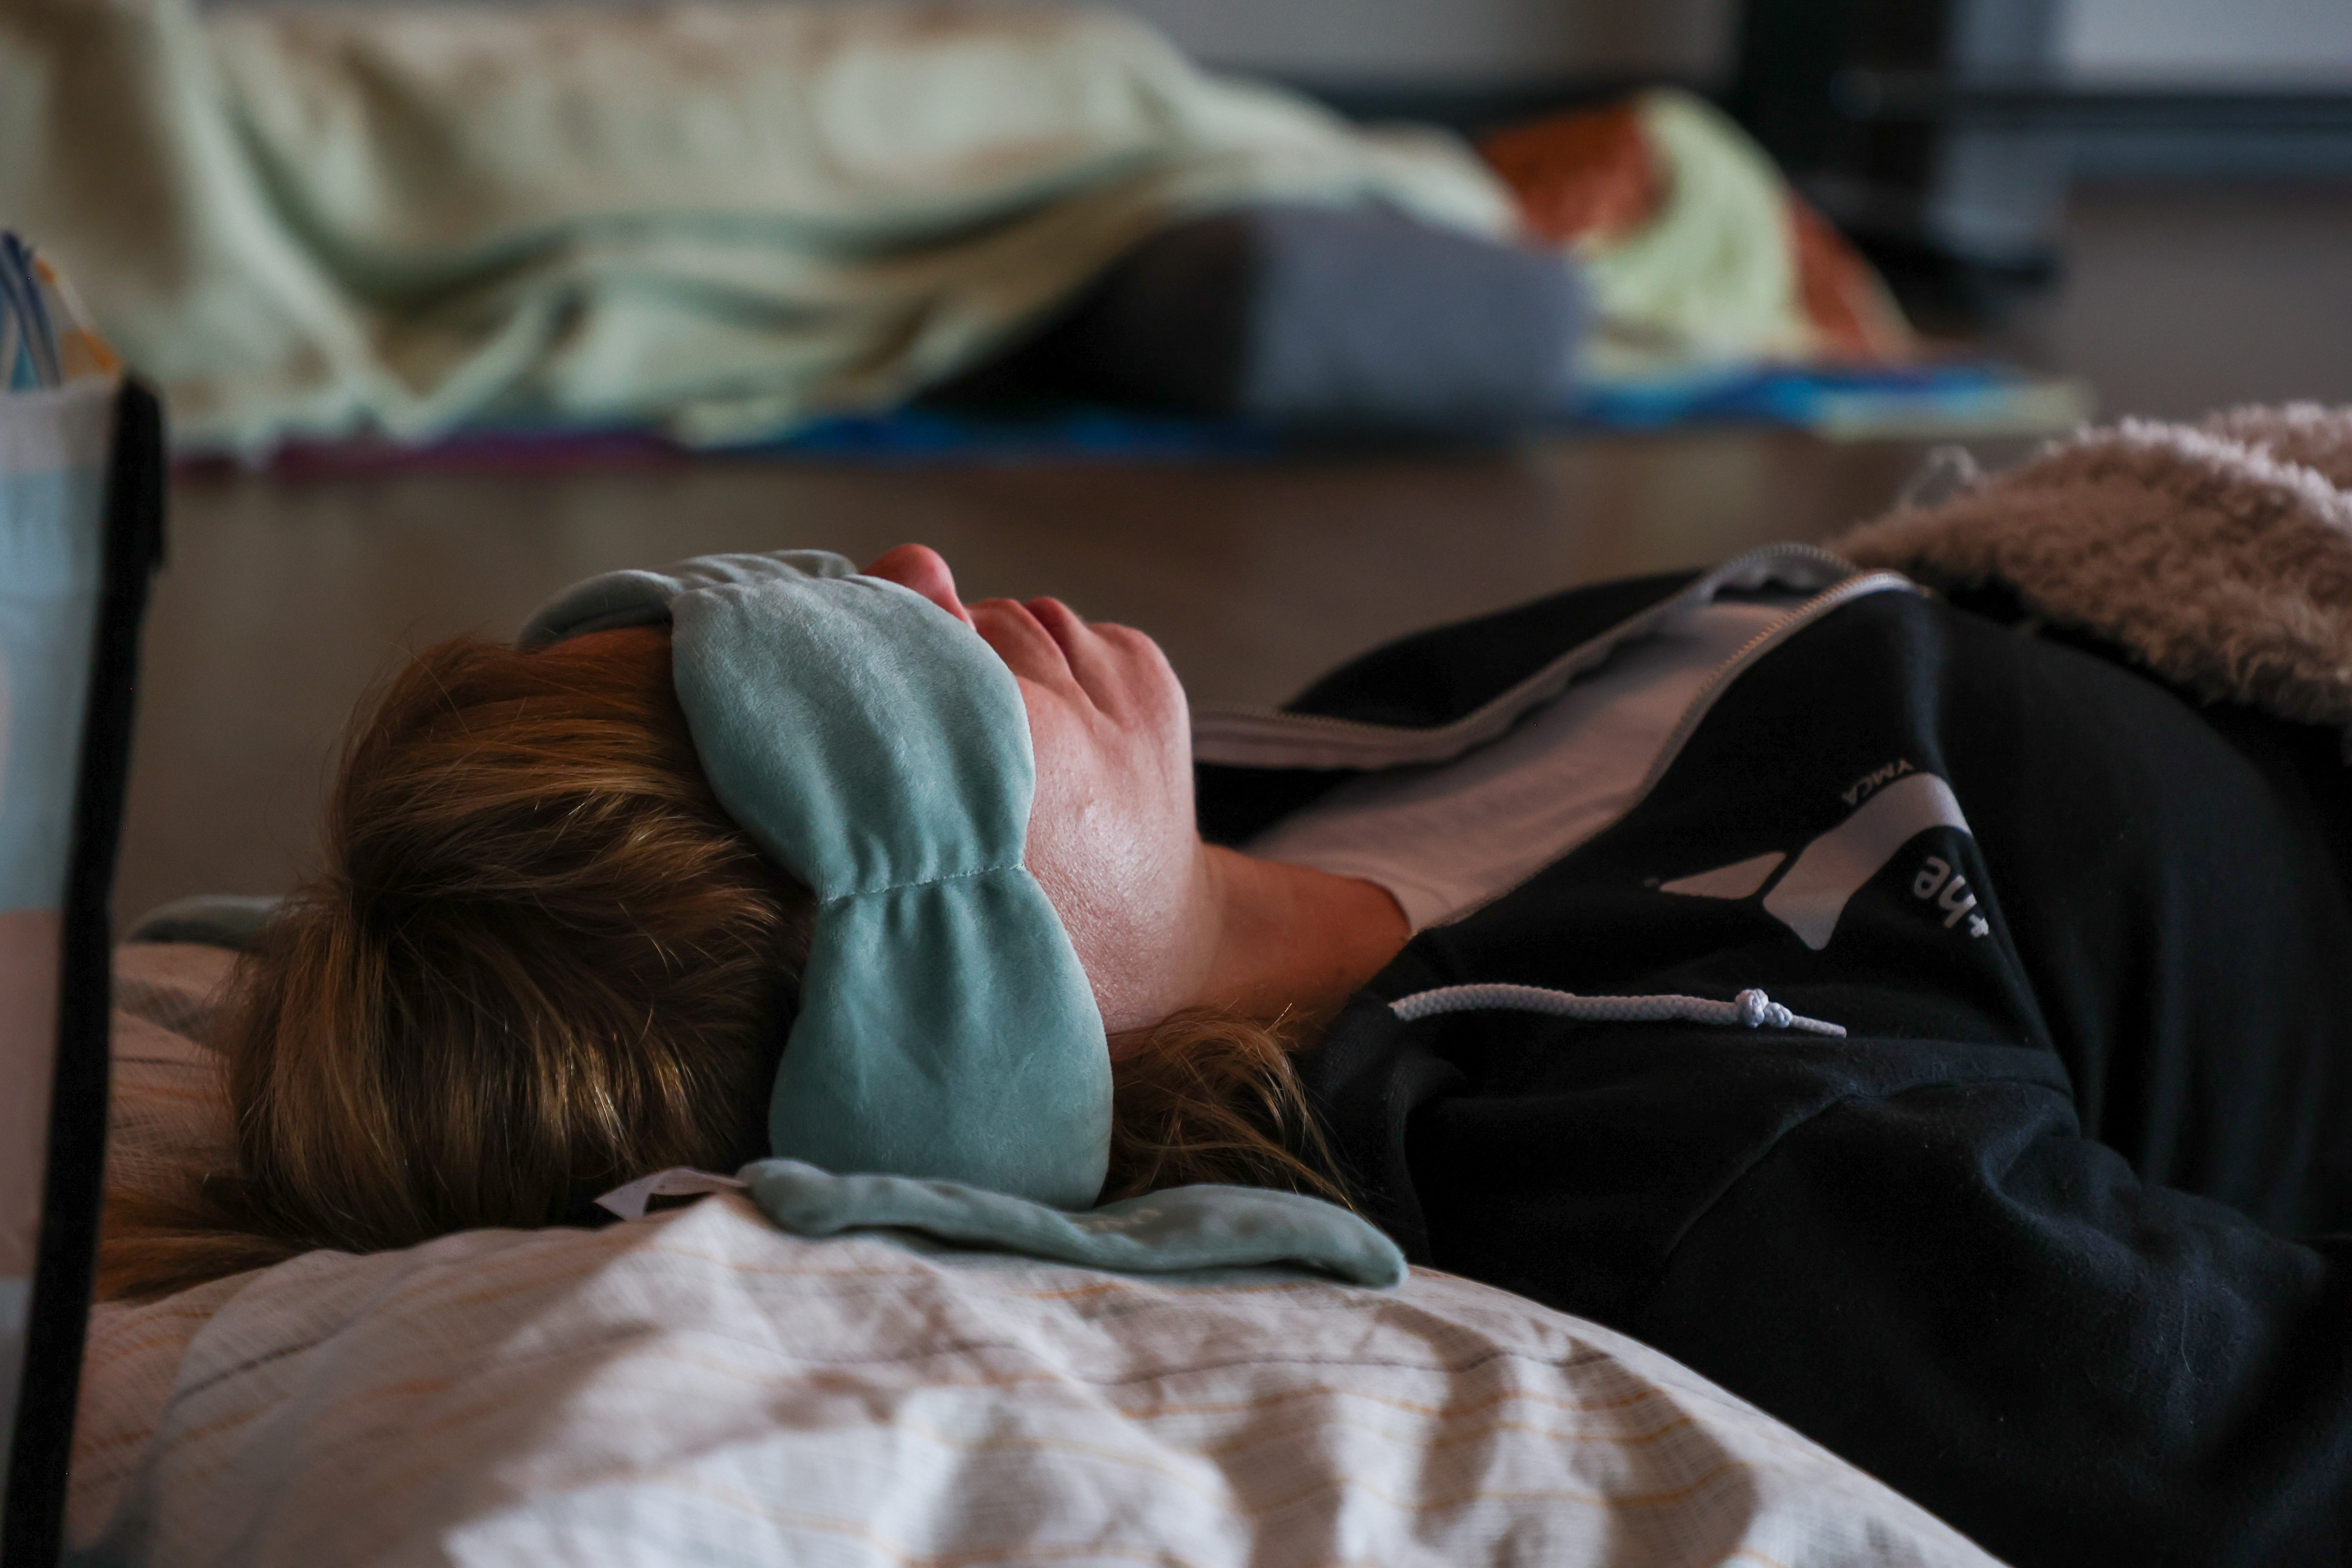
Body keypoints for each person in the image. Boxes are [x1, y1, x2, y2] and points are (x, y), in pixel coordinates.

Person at [110, 538, 2352, 1568]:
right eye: (896, 694)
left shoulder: (1310, 777)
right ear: (950, 994)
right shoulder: (1688, 1162)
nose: (920, 559)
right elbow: (2258, 1452)